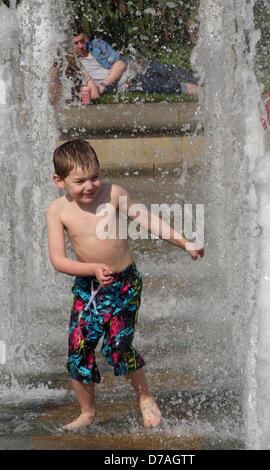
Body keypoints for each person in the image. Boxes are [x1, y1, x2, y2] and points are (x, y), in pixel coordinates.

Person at [47, 139, 204, 430]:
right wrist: (91, 269)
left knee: (119, 345)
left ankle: (145, 397)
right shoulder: (58, 211)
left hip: (124, 285)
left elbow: (147, 220)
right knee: (78, 349)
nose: (90, 186)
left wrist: (184, 241)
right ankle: (87, 412)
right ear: (60, 181)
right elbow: (58, 260)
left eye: (94, 176)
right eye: (80, 181)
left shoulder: (114, 195)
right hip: (89, 288)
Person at [49, 29, 200, 105]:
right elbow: (91, 95)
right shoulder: (77, 70)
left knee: (181, 73)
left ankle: (214, 83)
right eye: (76, 43)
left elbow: (120, 65)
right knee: (173, 86)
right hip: (132, 83)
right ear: (69, 46)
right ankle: (206, 95)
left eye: (82, 41)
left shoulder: (96, 45)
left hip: (139, 65)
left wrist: (102, 85)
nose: (81, 46)